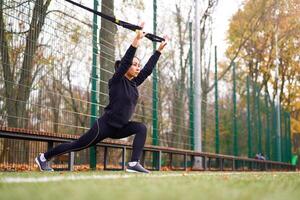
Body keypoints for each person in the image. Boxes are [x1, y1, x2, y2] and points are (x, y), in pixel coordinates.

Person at [35, 24, 167, 173]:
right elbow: (126, 61)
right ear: (124, 68)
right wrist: (136, 40)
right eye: (134, 65)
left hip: (120, 127)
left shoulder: (134, 83)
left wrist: (159, 51)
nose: (138, 67)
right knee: (77, 145)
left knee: (141, 128)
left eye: (139, 65)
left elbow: (148, 70)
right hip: (105, 126)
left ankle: (133, 164)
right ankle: (43, 157)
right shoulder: (117, 80)